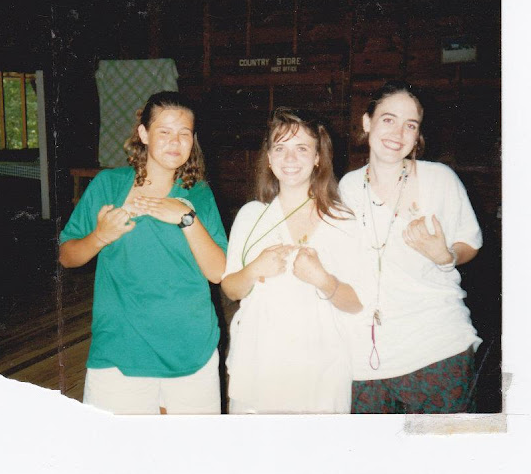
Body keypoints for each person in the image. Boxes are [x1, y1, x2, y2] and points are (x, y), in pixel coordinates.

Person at [59, 91, 227, 414]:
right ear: (144, 134)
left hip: (191, 349)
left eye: (184, 133)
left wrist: (186, 217)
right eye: (164, 131)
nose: (175, 142)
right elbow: (67, 256)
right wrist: (99, 236)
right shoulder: (109, 185)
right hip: (120, 351)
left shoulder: (199, 194)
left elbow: (218, 272)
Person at [338, 81, 483, 413]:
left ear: (417, 136)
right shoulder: (348, 187)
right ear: (367, 122)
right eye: (388, 119)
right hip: (366, 355)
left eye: (410, 125)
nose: (398, 133)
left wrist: (446, 256)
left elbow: (470, 242)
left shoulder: (439, 179)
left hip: (435, 348)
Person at [221, 108, 366, 414]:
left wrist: (322, 280)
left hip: (321, 372)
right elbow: (231, 288)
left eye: (301, 148)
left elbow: (356, 303)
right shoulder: (251, 216)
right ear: (269, 158)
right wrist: (254, 269)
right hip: (260, 368)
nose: (290, 158)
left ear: (318, 157)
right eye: (280, 148)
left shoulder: (342, 219)